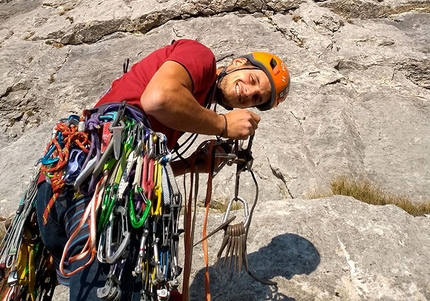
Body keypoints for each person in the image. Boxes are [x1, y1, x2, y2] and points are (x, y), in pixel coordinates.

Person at [35, 39, 290, 300]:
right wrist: (223, 124)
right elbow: (159, 99)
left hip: (62, 191)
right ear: (238, 63)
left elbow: (143, 169)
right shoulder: (200, 56)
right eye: (252, 80)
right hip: (102, 195)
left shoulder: (193, 104)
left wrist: (191, 165)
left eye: (255, 99)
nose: (247, 93)